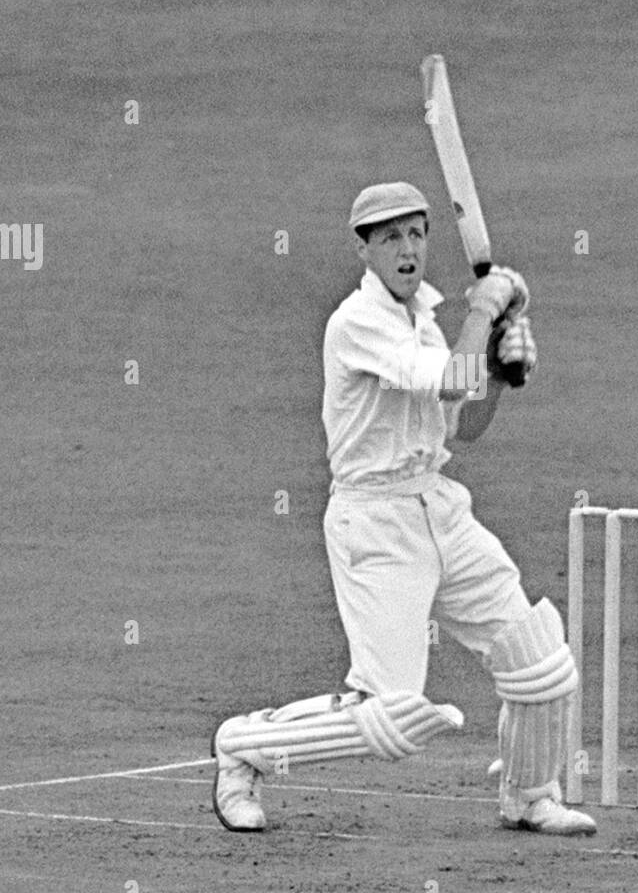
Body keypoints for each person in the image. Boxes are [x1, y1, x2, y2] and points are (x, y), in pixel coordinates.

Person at [211, 180, 597, 836]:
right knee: (389, 717)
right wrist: (485, 311)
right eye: (391, 237)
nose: (407, 247)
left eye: (417, 232)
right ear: (364, 250)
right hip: (377, 524)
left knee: (540, 664)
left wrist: (500, 374)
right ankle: (242, 748)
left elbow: (462, 423)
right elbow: (451, 374)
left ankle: (529, 794)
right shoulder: (356, 322)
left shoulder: (421, 318)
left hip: (439, 506)